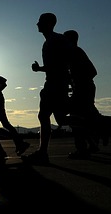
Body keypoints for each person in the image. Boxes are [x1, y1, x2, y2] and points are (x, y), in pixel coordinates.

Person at [22, 12, 72, 165]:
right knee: (61, 118)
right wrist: (40, 69)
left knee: (45, 116)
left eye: (40, 21)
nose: (37, 24)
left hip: (55, 84)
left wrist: (41, 70)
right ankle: (97, 125)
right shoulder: (53, 41)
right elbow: (57, 65)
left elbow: (61, 65)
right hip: (56, 83)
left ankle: (43, 153)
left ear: (48, 24)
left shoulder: (55, 41)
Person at [64, 29, 102, 159]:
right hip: (83, 88)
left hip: (84, 89)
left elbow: (93, 71)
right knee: (86, 118)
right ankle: (91, 144)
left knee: (76, 118)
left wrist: (79, 82)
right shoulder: (73, 53)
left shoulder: (76, 52)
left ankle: (82, 148)